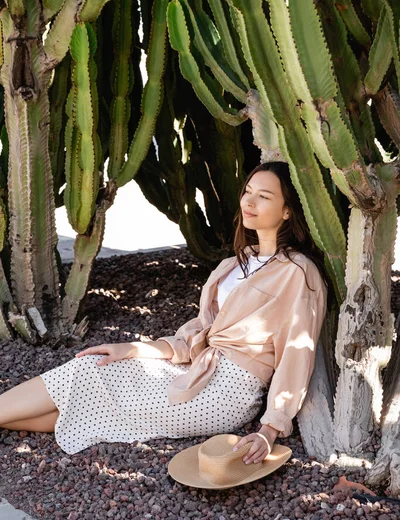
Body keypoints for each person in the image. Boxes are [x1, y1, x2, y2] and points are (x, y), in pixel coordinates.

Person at [0, 162, 328, 466]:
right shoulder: (234, 263)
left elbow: (297, 355)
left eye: (264, 196)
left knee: (93, 385)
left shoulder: (298, 273)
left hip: (229, 393)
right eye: (248, 192)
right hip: (192, 367)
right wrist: (133, 349)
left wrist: (270, 429)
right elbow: (197, 333)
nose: (249, 201)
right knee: (92, 367)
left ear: (287, 211)